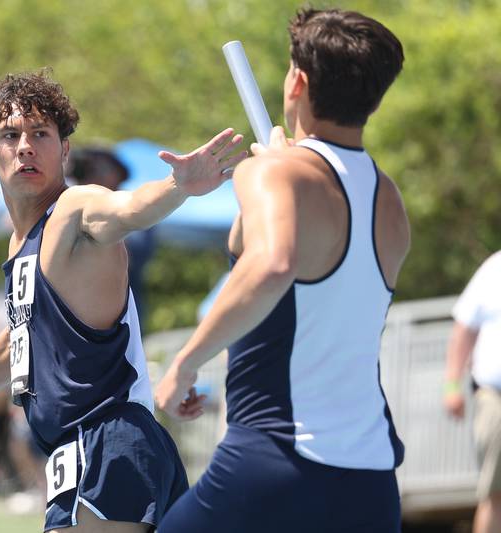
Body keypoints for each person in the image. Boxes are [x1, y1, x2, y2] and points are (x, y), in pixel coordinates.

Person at [0, 71, 246, 532]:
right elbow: (16, 344)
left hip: (110, 438)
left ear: (65, 150)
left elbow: (129, 209)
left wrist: (179, 187)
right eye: (10, 135)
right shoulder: (20, 246)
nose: (25, 146)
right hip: (79, 448)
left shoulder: (76, 209)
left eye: (40, 134)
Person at [155, 8, 408, 532]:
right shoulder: (390, 201)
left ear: (296, 81)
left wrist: (185, 362)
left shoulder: (273, 172)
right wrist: (283, 169)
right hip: (370, 482)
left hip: (277, 460)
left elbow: (272, 262)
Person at [444, 251, 501, 533]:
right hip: (496, 398)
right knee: (496, 492)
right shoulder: (494, 268)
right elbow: (464, 329)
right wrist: (452, 385)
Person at [69, 148, 157, 326]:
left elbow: (134, 257)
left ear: (117, 175)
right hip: (73, 312)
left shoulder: (135, 209)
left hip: (120, 314)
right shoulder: (66, 208)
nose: (92, 176)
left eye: (99, 169)